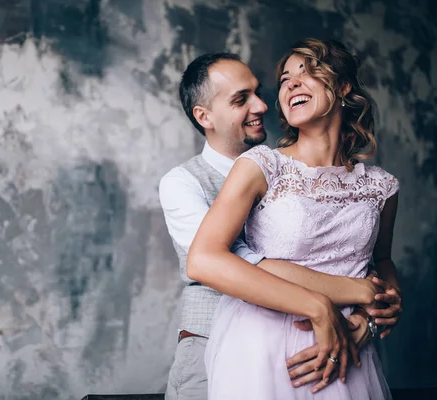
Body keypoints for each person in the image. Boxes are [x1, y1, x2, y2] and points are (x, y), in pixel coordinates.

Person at [161, 50, 402, 400]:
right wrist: (353, 293)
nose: (261, 105)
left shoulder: (374, 184)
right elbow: (232, 257)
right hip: (222, 340)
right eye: (242, 99)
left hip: (341, 340)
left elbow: (380, 261)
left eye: (259, 92)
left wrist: (373, 313)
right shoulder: (189, 181)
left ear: (344, 87)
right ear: (205, 116)